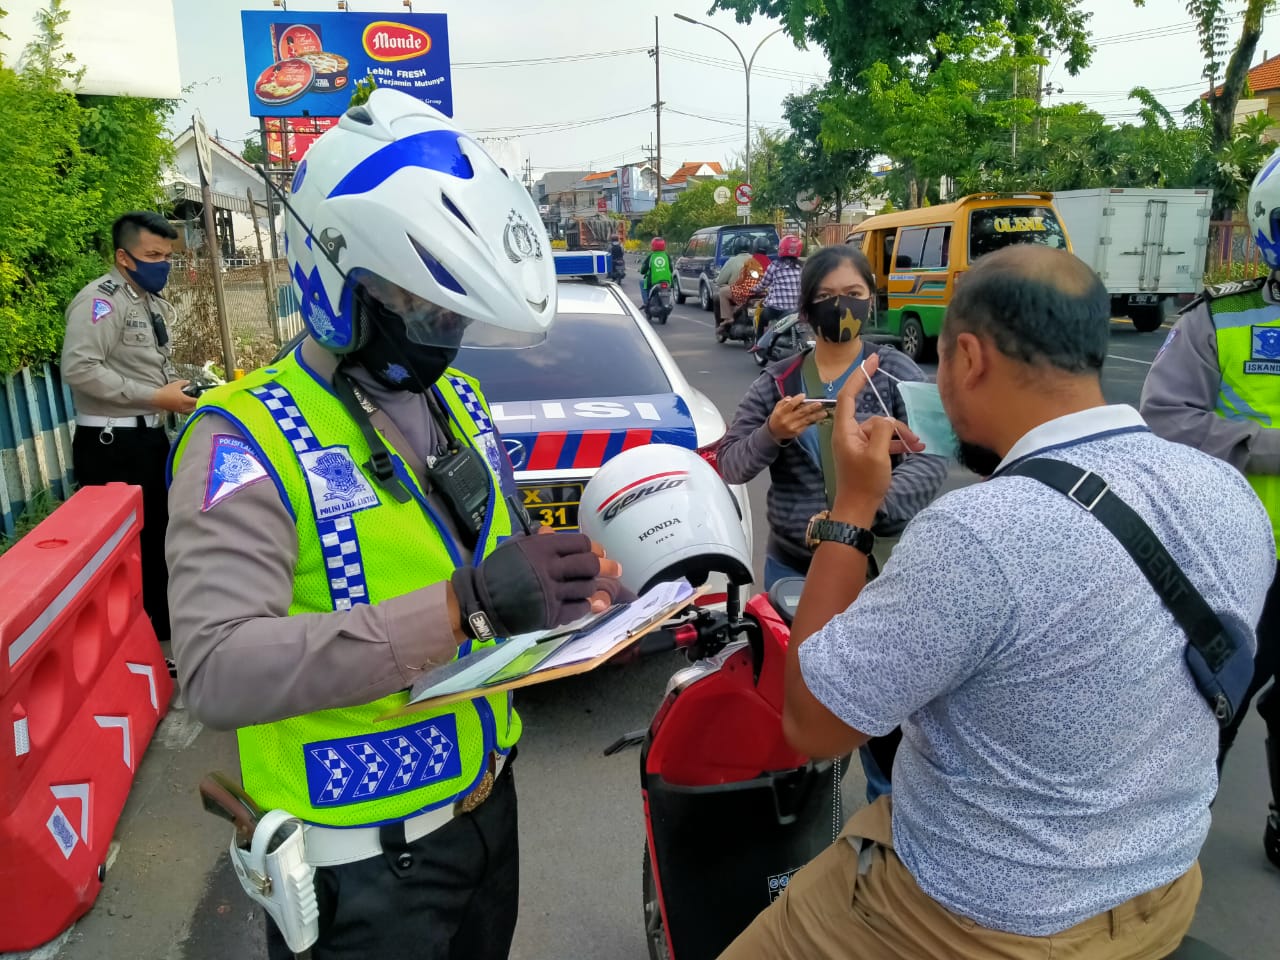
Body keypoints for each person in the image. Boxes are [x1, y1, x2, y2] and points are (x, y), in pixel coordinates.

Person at [166, 91, 625, 960]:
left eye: (455, 312)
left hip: (490, 817)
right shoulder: (244, 441)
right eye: (420, 307)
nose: (444, 332)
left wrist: (573, 595)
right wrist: (461, 609)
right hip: (363, 873)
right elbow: (219, 669)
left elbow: (495, 566)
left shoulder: (457, 401)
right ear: (338, 278)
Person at [720, 245, 1275, 960]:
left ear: (970, 359)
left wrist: (854, 508)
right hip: (1161, 890)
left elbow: (813, 725)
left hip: (978, 918)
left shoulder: (979, 533)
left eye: (944, 361)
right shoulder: (1227, 490)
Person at [1140, 150, 1280, 868]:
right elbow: (1164, 418)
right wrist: (1261, 445)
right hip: (1236, 563)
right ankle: (1169, 844)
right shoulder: (1221, 321)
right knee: (1211, 705)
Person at [61, 210, 196, 654]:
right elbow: (79, 368)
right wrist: (155, 397)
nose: (163, 264)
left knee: (159, 539)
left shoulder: (148, 302)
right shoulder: (101, 301)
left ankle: (160, 640)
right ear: (123, 257)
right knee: (128, 551)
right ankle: (137, 647)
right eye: (152, 255)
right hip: (111, 446)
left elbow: (152, 367)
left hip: (147, 439)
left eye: (167, 256)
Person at [755, 234, 805, 334]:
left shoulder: (775, 265)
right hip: (796, 309)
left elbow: (763, 284)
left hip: (777, 309)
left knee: (762, 317)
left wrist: (754, 289)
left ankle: (759, 346)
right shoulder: (803, 267)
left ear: (781, 248)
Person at [716, 235, 755, 322]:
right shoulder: (755, 259)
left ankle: (728, 318)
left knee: (722, 292)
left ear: (735, 248)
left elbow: (720, 281)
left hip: (739, 293)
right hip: (755, 293)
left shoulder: (732, 261)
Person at [639, 236, 673, 304]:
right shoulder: (666, 255)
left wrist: (642, 271)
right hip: (667, 281)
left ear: (653, 246)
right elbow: (671, 269)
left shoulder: (651, 256)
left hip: (654, 281)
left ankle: (646, 303)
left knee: (642, 283)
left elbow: (643, 270)